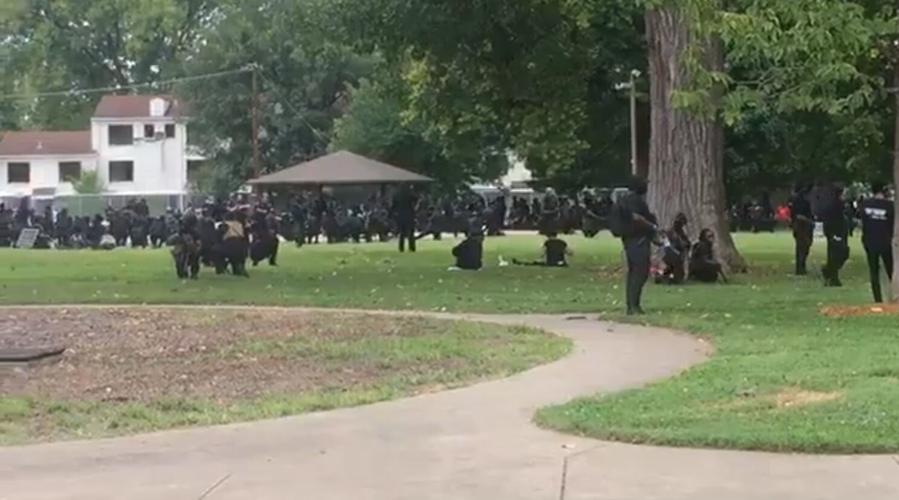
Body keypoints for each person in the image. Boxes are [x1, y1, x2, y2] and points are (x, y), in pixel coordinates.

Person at [613, 176, 658, 315]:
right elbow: (638, 218)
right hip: (638, 240)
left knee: (634, 272)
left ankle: (632, 305)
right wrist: (653, 226)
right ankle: (633, 305)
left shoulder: (625, 200)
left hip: (630, 240)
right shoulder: (635, 201)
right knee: (640, 272)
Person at [860, 182, 894, 302]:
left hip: (869, 241)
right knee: (891, 270)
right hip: (885, 241)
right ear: (884, 191)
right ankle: (895, 296)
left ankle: (877, 299)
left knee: (874, 271)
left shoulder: (865, 204)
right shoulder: (890, 206)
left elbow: (863, 221)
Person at [822, 185, 850, 287]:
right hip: (836, 233)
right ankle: (831, 274)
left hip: (837, 233)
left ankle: (830, 274)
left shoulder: (838, 205)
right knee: (839, 254)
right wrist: (833, 234)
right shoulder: (836, 206)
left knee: (835, 255)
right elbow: (833, 221)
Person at [657, 213, 690, 285]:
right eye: (679, 222)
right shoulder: (670, 232)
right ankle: (662, 275)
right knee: (673, 271)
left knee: (678, 275)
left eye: (682, 223)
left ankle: (665, 276)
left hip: (678, 256)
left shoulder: (681, 233)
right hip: (670, 255)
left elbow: (686, 244)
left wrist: (684, 245)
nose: (680, 224)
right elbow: (665, 245)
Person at [789, 183, 814, 275]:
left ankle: (800, 267)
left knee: (801, 246)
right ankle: (801, 267)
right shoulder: (804, 200)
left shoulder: (796, 200)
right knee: (804, 246)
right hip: (803, 224)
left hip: (799, 224)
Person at [392, 184, 418, 253]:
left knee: (402, 233)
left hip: (400, 215)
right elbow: (416, 199)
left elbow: (393, 206)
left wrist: (394, 213)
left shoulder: (397, 195)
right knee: (410, 233)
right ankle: (411, 247)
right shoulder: (409, 193)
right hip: (409, 214)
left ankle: (401, 248)